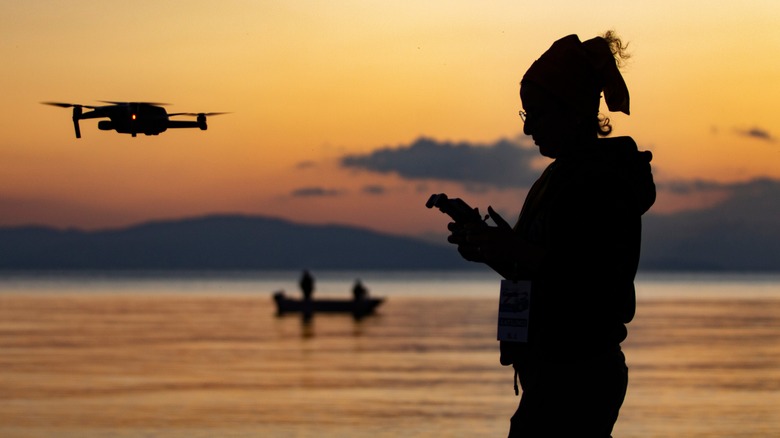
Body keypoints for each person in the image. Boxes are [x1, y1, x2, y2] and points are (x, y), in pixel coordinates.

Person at [446, 31, 656, 437]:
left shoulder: (601, 184)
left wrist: (512, 249)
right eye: (527, 116)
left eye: (538, 115)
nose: (529, 131)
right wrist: (489, 248)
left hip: (578, 376)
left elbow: (593, 283)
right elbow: (540, 268)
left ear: (574, 112)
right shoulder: (561, 177)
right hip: (552, 373)